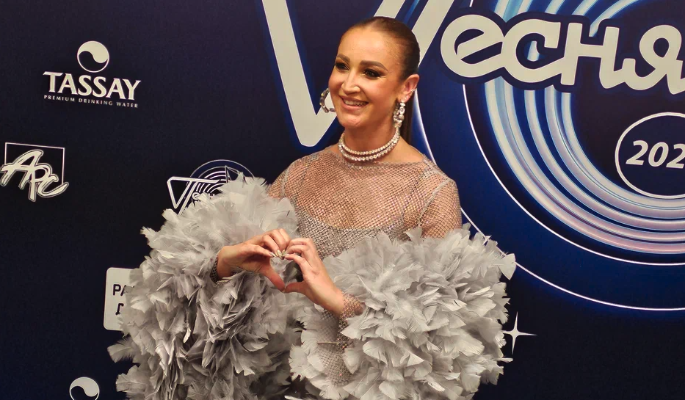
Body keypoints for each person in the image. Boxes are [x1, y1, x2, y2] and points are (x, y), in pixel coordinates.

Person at [109, 17, 514, 400]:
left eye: (371, 73)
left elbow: (440, 346)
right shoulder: (301, 175)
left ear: (406, 88)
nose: (349, 84)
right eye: (342, 66)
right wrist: (225, 264)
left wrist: (338, 301)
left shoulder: (431, 193)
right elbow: (221, 319)